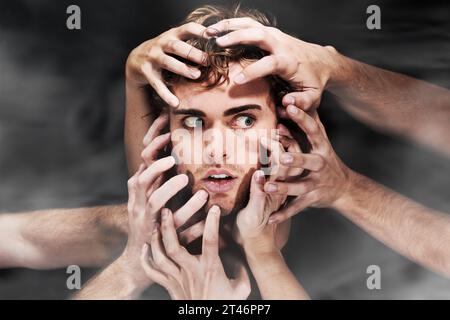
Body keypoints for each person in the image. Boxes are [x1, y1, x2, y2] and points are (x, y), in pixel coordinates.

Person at [75, 5, 310, 300]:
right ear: (167, 133)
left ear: (282, 126)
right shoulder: (142, 220)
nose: (217, 152)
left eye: (245, 120)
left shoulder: (331, 227)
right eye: (195, 122)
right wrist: (134, 75)